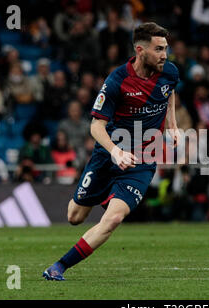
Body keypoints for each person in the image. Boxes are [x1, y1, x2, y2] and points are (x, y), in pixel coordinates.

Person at [43, 22, 180, 281]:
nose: (165, 55)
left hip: (143, 157)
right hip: (108, 155)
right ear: (140, 50)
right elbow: (96, 126)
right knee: (75, 217)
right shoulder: (117, 81)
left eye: (166, 48)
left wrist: (172, 125)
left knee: (114, 218)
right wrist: (115, 152)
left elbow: (169, 93)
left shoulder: (169, 72)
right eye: (159, 49)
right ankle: (102, 190)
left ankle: (59, 267)